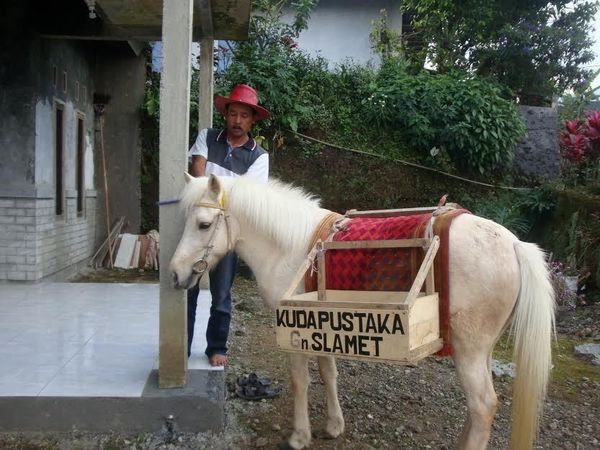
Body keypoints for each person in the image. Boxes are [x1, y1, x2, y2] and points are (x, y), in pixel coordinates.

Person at [187, 84, 271, 367]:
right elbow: (197, 169)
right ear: (226, 114)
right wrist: (220, 190)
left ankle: (217, 347)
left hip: (228, 232)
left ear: (252, 120)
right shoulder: (207, 137)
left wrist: (211, 190)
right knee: (188, 287)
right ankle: (182, 344)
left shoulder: (259, 156)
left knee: (221, 294)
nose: (237, 120)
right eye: (233, 113)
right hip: (198, 227)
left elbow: (246, 196)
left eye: (244, 115)